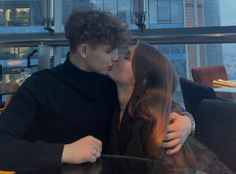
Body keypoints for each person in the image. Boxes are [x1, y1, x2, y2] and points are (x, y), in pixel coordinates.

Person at [0, 10, 192, 171]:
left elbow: (156, 101)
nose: (115, 58)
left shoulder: (111, 82)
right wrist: (64, 152)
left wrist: (188, 122)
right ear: (84, 51)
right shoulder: (41, 85)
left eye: (118, 51)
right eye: (109, 52)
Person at [108, 43, 233, 173]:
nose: (115, 58)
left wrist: (188, 122)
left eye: (126, 57)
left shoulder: (158, 124)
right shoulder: (116, 105)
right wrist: (189, 121)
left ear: (141, 79)